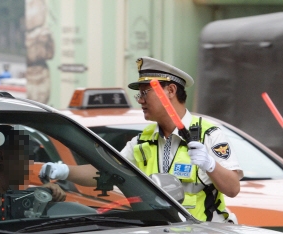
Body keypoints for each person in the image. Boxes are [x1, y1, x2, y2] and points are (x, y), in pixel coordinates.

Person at [40, 57, 243, 222]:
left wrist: (210, 165)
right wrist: (65, 171)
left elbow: (233, 189)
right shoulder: (143, 141)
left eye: (146, 92)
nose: (141, 100)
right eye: (139, 94)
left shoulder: (208, 134)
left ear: (170, 91)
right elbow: (106, 171)